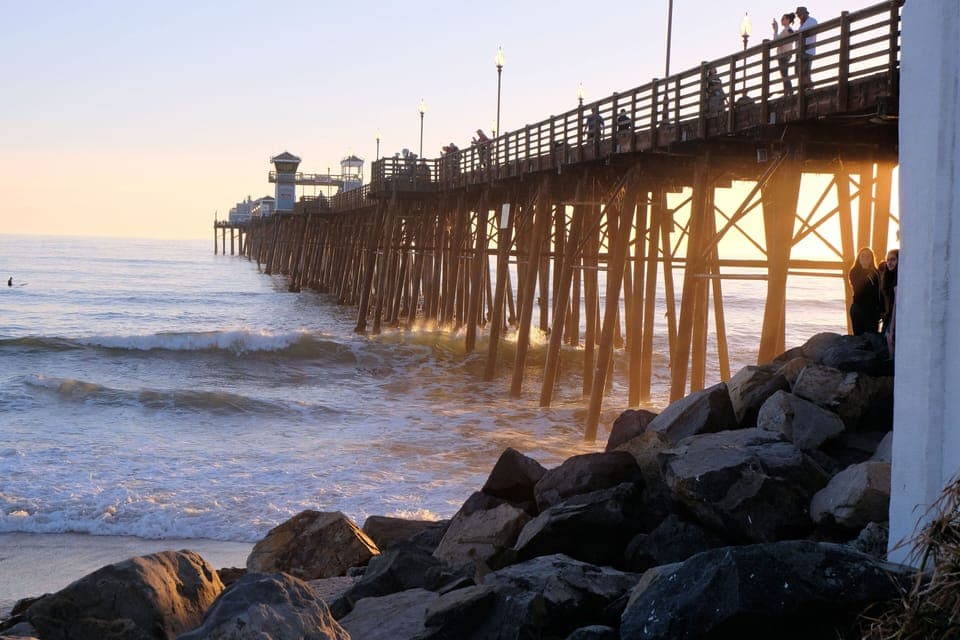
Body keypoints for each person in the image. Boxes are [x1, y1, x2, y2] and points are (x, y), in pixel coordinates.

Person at [848, 247, 881, 335]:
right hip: (859, 309)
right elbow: (860, 289)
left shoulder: (876, 273)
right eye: (862, 256)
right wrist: (865, 269)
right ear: (858, 258)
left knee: (872, 338)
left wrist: (881, 310)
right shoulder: (854, 272)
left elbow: (879, 292)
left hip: (873, 311)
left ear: (872, 259)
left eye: (868, 256)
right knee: (860, 338)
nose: (865, 258)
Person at [771, 13, 796, 95]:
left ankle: (789, 92)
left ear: (788, 20)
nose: (782, 20)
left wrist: (775, 30)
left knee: (784, 74)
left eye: (783, 18)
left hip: (784, 54)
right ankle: (788, 92)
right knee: (784, 73)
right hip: (786, 53)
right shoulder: (787, 30)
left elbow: (776, 41)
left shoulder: (787, 30)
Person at [795, 6, 818, 88]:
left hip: (807, 50)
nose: (799, 17)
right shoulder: (803, 23)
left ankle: (809, 88)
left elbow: (804, 32)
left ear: (805, 14)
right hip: (800, 50)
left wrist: (798, 32)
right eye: (798, 15)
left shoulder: (812, 21)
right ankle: (806, 88)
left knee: (805, 71)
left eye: (800, 15)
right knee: (798, 71)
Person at [878, 248, 898, 334]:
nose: (889, 263)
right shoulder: (886, 277)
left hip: (896, 317)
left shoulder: (900, 278)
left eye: (893, 260)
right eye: (888, 260)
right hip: (888, 317)